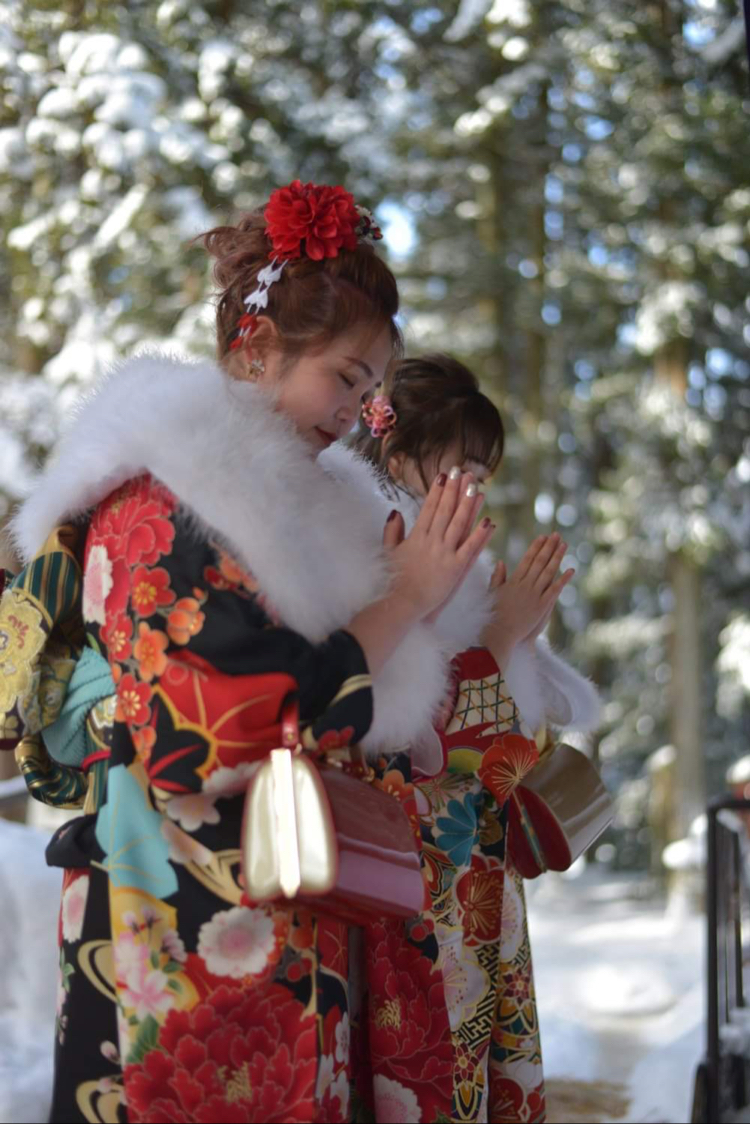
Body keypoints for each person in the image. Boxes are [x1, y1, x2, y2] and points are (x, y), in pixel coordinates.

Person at [2, 182, 501, 1124]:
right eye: (345, 377)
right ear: (256, 346)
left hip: (267, 888)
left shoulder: (276, 504)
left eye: (369, 390)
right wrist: (402, 604)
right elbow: (213, 724)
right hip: (177, 896)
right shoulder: (168, 492)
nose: (356, 411)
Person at [355, 352, 601, 1124]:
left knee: (467, 1062)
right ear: (396, 456)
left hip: (468, 874)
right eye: (459, 465)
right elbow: (407, 731)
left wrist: (512, 639)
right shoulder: (372, 544)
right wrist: (500, 638)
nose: (473, 487)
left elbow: (499, 753)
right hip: (410, 869)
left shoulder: (449, 558)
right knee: (425, 1070)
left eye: (481, 472)